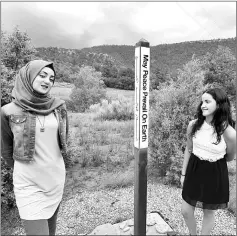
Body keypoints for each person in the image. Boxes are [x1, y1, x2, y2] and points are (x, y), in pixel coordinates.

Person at [1, 60, 69, 235]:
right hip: (28, 185)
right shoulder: (8, 111)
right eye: (42, 75)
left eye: (51, 78)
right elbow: (6, 149)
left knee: (50, 232)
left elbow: (62, 141)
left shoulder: (59, 107)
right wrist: (25, 170)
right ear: (28, 76)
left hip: (55, 180)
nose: (47, 81)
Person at [180, 87, 236, 235]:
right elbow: (189, 149)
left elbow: (229, 157)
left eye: (207, 101)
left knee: (209, 213)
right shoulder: (193, 125)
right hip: (193, 170)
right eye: (202, 102)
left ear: (218, 105)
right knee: (185, 210)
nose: (202, 105)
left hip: (215, 174)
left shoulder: (229, 133)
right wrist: (183, 174)